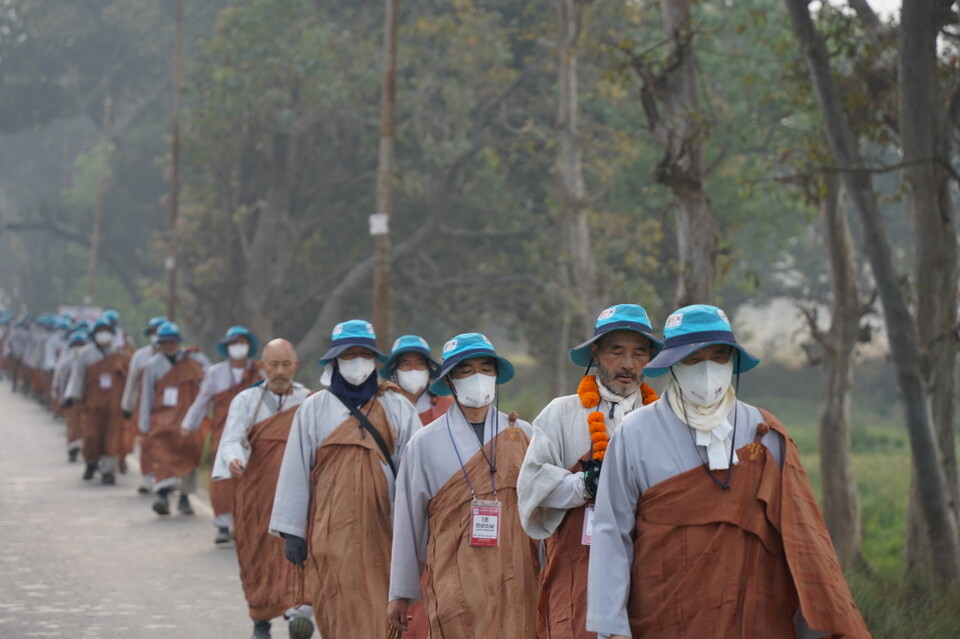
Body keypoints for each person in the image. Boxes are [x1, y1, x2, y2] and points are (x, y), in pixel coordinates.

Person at [585, 304, 871, 639]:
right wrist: (612, 627)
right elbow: (612, 532)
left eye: (719, 357)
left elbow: (799, 537)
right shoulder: (634, 433)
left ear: (733, 362)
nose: (708, 370)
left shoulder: (763, 432)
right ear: (673, 365)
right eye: (693, 359)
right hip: (666, 614)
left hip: (754, 614)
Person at [517, 304, 662, 639]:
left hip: (647, 562)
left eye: (639, 353)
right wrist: (584, 484)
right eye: (617, 351)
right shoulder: (562, 412)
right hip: (578, 563)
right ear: (596, 352)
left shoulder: (661, 417)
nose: (628, 364)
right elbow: (532, 487)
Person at [270, 319, 419, 639]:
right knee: (335, 606)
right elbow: (296, 469)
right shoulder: (313, 409)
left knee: (380, 607)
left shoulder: (398, 408)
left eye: (363, 355)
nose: (357, 363)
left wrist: (417, 530)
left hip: (384, 529)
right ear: (335, 360)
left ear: (374, 360)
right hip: (329, 531)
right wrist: (293, 531)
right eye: (348, 355)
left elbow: (415, 473)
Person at [388, 333, 539, 638]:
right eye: (466, 371)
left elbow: (543, 515)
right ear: (451, 380)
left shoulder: (523, 435)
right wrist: (400, 591)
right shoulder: (423, 443)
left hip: (517, 577)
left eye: (486, 369)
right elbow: (409, 523)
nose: (478, 377)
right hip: (454, 579)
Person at [214, 338, 314, 639]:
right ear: (262, 367)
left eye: (286, 364)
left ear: (295, 366)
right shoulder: (246, 401)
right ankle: (261, 618)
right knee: (256, 554)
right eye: (273, 364)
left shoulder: (310, 401)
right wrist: (234, 459)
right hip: (256, 492)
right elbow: (232, 439)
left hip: (298, 494)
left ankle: (300, 612)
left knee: (300, 552)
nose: (280, 371)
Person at [182, 325, 263, 545]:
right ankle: (222, 525)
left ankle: (246, 524)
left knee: (251, 477)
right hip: (223, 431)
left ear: (249, 346)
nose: (238, 347)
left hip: (253, 432)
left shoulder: (259, 372)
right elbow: (202, 401)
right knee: (223, 477)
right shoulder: (215, 373)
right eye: (234, 343)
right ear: (227, 347)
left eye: (242, 343)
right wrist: (189, 423)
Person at [139, 321, 211, 516]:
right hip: (162, 418)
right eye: (165, 342)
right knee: (162, 454)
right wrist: (144, 423)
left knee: (190, 454)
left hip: (188, 419)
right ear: (160, 344)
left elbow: (209, 376)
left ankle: (185, 497)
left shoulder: (192, 360)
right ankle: (162, 495)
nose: (169, 345)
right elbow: (147, 395)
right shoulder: (153, 365)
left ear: (178, 342)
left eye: (173, 342)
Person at [62, 317, 130, 484]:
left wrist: (128, 403)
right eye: (99, 332)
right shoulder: (85, 354)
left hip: (113, 404)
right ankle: (91, 464)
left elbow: (126, 380)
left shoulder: (118, 354)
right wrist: (72, 396)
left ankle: (108, 471)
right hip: (92, 403)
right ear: (94, 334)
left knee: (111, 437)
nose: (103, 335)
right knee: (91, 436)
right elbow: (77, 378)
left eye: (105, 331)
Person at [121, 315, 167, 494]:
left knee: (167, 443)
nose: (157, 336)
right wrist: (127, 405)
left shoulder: (178, 358)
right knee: (146, 441)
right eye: (154, 333)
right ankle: (148, 476)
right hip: (144, 406)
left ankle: (164, 477)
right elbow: (131, 383)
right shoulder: (140, 357)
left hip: (170, 409)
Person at [380, 335, 454, 425]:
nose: (413, 369)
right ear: (395, 371)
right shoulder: (382, 405)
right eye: (406, 364)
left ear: (429, 369)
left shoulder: (447, 405)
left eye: (420, 363)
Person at [52, 327, 89, 462]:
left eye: (81, 345)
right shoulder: (66, 362)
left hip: (86, 399)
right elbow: (60, 381)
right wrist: (61, 398)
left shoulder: (89, 361)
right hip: (71, 399)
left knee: (87, 425)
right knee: (73, 424)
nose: (78, 348)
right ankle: (73, 447)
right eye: (76, 345)